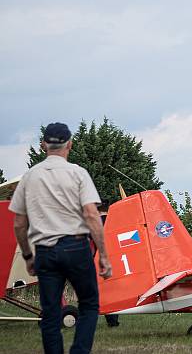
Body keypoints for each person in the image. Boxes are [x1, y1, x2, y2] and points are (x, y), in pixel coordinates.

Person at [10, 122, 112, 354]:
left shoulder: (29, 177)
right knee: (88, 304)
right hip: (76, 247)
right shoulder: (78, 174)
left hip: (44, 250)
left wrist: (27, 255)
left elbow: (19, 223)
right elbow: (91, 215)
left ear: (44, 144)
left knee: (50, 312)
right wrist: (104, 255)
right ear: (70, 144)